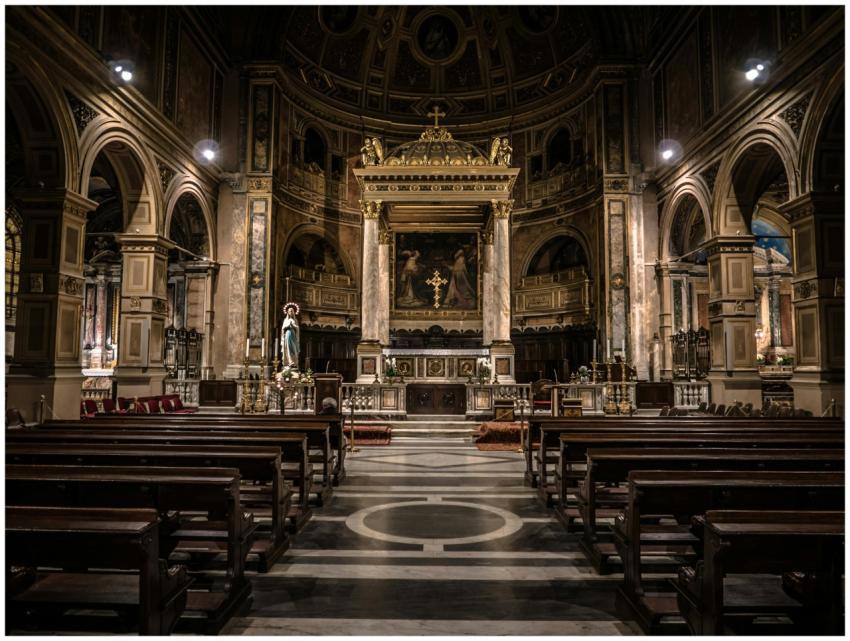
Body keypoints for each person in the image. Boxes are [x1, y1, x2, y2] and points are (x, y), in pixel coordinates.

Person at [281, 303, 300, 368]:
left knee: (294, 348)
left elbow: (297, 328)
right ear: (288, 312)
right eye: (289, 311)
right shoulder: (285, 320)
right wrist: (288, 325)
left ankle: (294, 362)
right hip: (288, 334)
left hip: (293, 335)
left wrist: (293, 326)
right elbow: (283, 328)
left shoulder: (295, 320)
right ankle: (289, 361)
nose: (291, 312)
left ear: (294, 312)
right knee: (288, 348)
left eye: (292, 311)